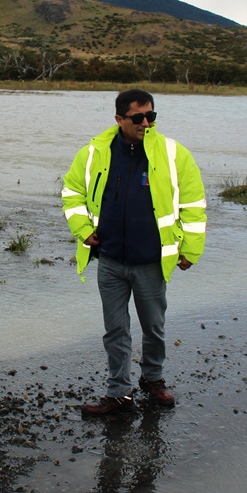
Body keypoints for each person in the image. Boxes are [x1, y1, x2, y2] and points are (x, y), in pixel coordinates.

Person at [62, 89, 206, 414]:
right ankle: (119, 394)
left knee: (154, 326)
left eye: (151, 116)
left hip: (151, 261)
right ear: (119, 119)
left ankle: (152, 379)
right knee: (115, 328)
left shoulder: (173, 153)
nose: (146, 123)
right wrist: (83, 230)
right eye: (138, 118)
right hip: (110, 260)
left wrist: (191, 250)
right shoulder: (94, 152)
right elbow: (72, 192)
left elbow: (194, 205)